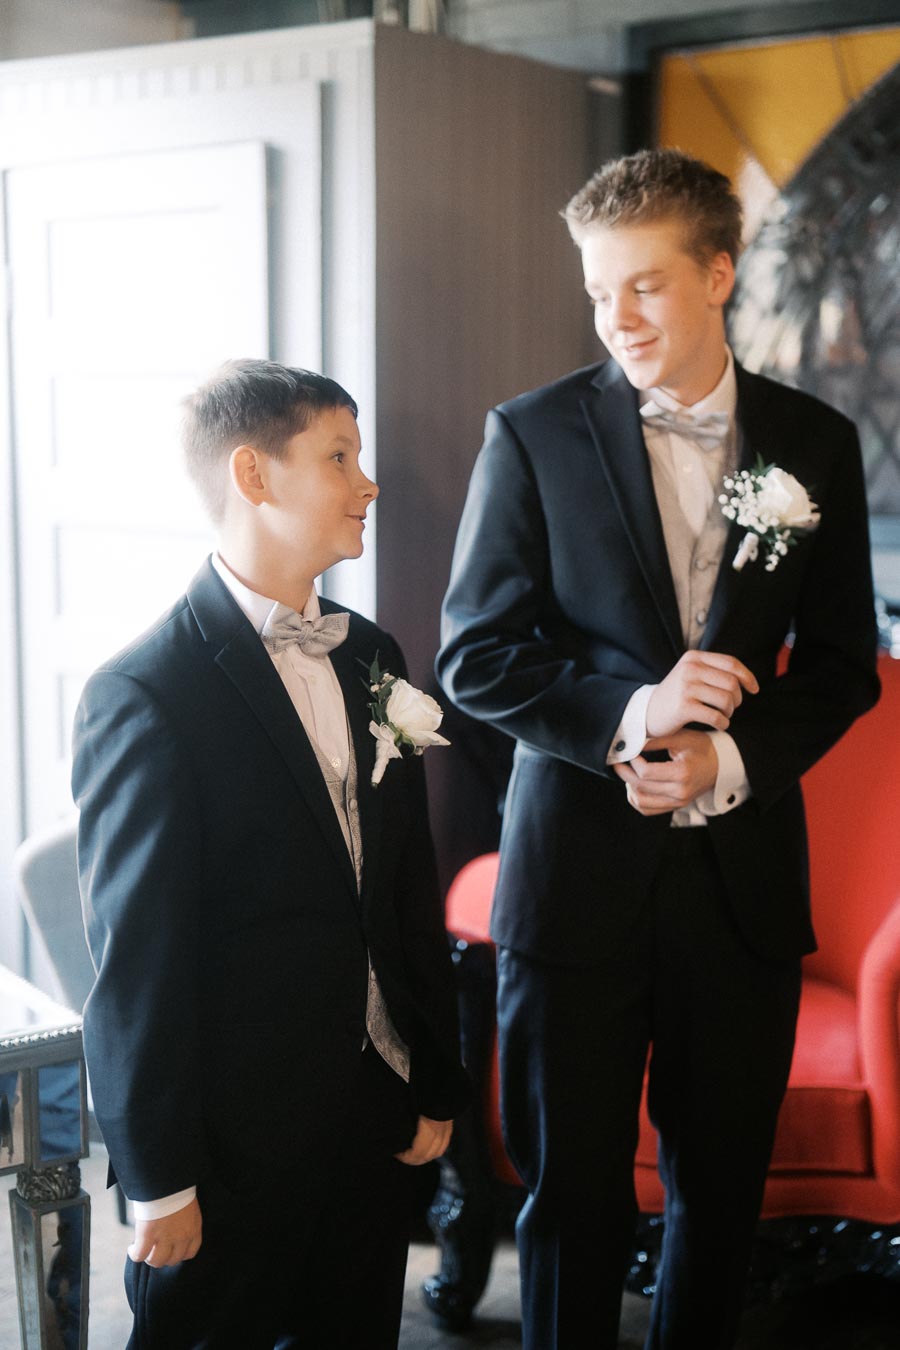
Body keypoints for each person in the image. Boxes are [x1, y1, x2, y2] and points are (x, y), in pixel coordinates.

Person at [436, 149, 880, 1350]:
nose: (617, 317)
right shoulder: (530, 434)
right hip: (572, 883)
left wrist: (725, 764)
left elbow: (842, 666)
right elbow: (475, 656)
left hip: (741, 892)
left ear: (718, 274)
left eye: (644, 285)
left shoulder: (814, 443)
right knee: (569, 1202)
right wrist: (632, 714)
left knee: (719, 1204)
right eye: (598, 291)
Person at [73, 358, 469, 1350]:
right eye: (339, 457)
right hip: (231, 1143)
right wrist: (160, 1176)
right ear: (252, 474)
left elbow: (406, 887)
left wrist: (432, 1076)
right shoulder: (145, 694)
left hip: (371, 1113)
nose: (367, 482)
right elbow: (138, 963)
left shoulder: (372, 655)